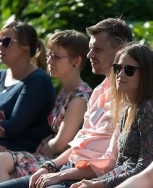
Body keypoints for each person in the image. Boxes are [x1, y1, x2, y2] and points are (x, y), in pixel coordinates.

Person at [0, 17, 133, 188]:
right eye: (49, 55)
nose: (90, 55)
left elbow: (63, 144)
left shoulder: (94, 95)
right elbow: (81, 142)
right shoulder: (98, 91)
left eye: (97, 50)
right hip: (65, 164)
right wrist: (51, 166)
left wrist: (52, 167)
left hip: (76, 171)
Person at [69, 43, 153, 188]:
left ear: (146, 74)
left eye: (129, 70)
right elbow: (121, 165)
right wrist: (96, 183)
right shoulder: (130, 108)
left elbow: (145, 168)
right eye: (118, 68)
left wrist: (101, 184)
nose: (120, 74)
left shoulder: (149, 107)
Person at [0, 29, 93, 182]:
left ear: (76, 61)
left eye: (56, 57)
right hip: (48, 156)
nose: (49, 61)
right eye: (50, 55)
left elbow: (60, 144)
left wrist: (39, 150)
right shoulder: (65, 91)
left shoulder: (80, 97)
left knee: (2, 161)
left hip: (61, 162)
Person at [0, 21, 56, 152]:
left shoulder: (38, 81)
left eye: (6, 41)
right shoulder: (1, 76)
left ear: (25, 48)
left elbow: (13, 127)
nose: (1, 46)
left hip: (21, 150)